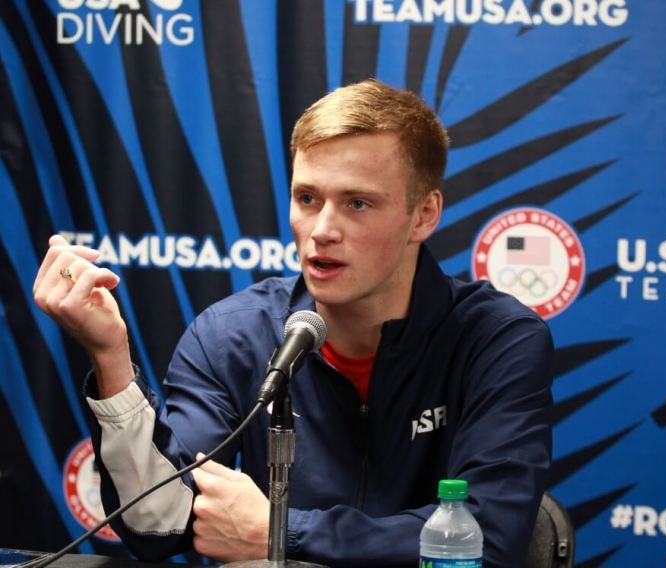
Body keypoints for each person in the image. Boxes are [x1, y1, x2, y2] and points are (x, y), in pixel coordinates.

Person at [33, 79, 553, 567]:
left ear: (424, 214)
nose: (322, 230)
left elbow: (489, 538)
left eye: (357, 203)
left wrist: (281, 531)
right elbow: (159, 524)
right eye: (308, 198)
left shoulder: (497, 340)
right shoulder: (233, 335)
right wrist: (111, 359)